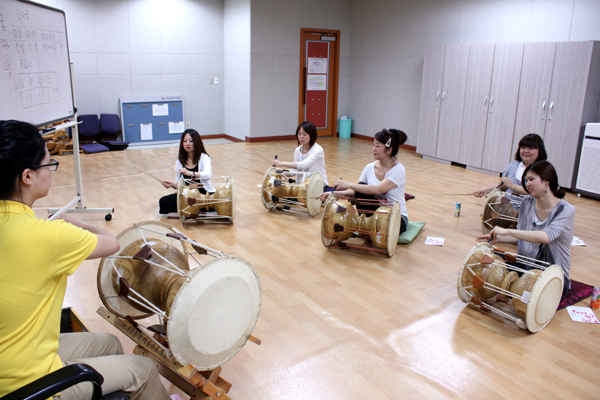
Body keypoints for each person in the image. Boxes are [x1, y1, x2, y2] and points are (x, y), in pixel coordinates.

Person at [0, 120, 173, 400]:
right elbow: (112, 242)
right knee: (143, 369)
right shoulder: (49, 236)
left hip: (12, 355)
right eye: (49, 163)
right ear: (27, 177)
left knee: (108, 342)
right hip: (27, 387)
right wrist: (75, 222)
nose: (52, 170)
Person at [479, 161, 575, 298]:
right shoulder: (527, 202)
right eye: (526, 180)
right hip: (526, 267)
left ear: (546, 181)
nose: (527, 184)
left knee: (532, 296)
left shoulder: (565, 210)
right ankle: (512, 289)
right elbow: (522, 235)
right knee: (489, 260)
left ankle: (512, 291)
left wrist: (507, 231)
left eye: (531, 179)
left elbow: (546, 237)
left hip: (553, 276)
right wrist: (498, 237)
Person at [320, 128, 409, 234]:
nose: (373, 149)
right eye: (373, 145)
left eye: (377, 146)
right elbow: (357, 192)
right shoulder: (369, 167)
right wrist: (333, 193)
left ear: (389, 150)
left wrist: (348, 184)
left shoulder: (398, 169)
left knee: (385, 227)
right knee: (361, 187)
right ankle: (369, 226)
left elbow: (377, 189)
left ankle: (370, 228)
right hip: (376, 214)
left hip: (396, 216)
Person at [474, 133, 547, 198]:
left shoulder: (542, 170)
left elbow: (534, 192)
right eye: (523, 147)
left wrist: (512, 186)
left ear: (540, 150)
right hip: (508, 208)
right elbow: (502, 186)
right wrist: (486, 190)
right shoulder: (513, 165)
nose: (526, 151)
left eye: (530, 148)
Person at [159, 129, 214, 214]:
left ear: (197, 142)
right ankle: (195, 208)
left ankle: (192, 208)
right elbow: (179, 184)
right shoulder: (179, 161)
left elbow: (208, 174)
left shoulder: (204, 157)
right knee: (163, 201)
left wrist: (191, 173)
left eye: (191, 141)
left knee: (219, 201)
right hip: (187, 195)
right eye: (185, 141)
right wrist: (172, 185)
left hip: (204, 194)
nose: (187, 143)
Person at [271, 121, 331, 191]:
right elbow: (294, 171)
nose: (301, 137)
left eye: (305, 134)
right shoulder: (297, 150)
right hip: (301, 187)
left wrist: (281, 163)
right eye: (299, 134)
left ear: (312, 135)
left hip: (318, 186)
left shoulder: (318, 150)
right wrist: (280, 174)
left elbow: (304, 165)